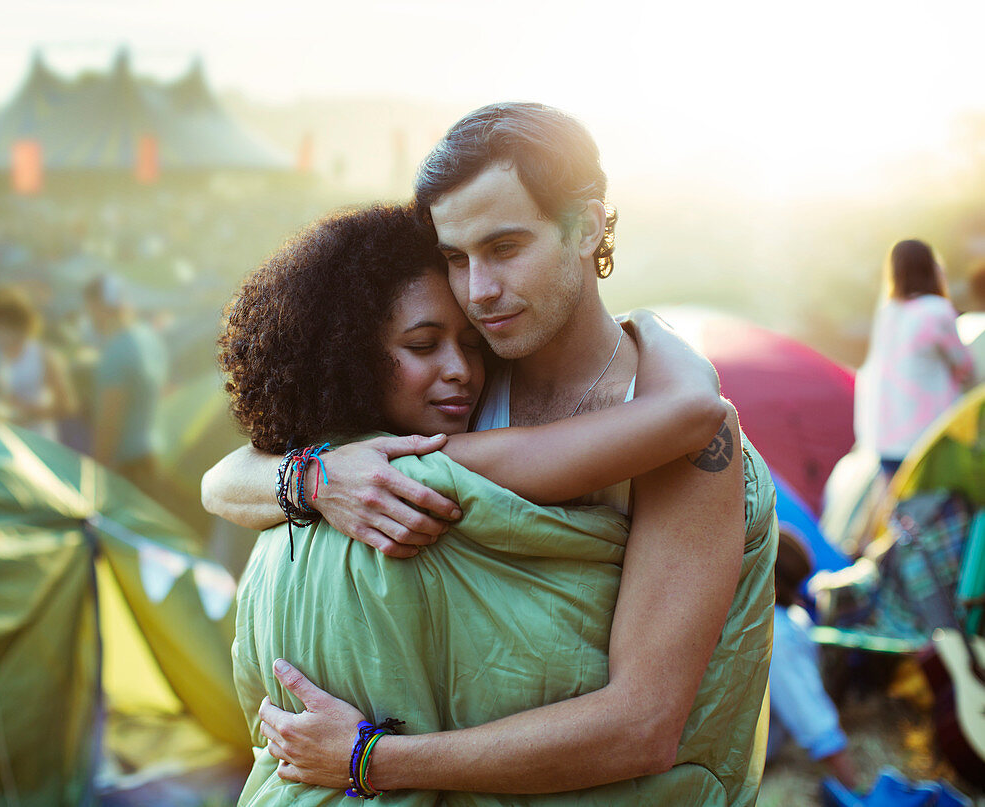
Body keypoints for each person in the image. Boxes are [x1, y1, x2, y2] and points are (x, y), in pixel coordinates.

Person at [205, 103, 776, 803]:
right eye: (455, 257)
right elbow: (227, 479)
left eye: (505, 248)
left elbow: (644, 725)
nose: (479, 290)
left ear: (588, 226)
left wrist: (370, 760)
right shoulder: (461, 379)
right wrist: (315, 476)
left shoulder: (675, 432)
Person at [855, 239, 974, 479]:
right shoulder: (937, 309)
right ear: (931, 268)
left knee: (898, 512)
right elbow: (965, 368)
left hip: (885, 436)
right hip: (926, 440)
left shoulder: (888, 311)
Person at [767, 527, 857, 789]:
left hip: (743, 757)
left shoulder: (777, 633)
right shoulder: (792, 618)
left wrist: (856, 792)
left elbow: (811, 715)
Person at [83, 274, 168, 494]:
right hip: (153, 454)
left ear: (98, 306)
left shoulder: (116, 353)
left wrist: (94, 473)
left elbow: (110, 422)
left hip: (127, 466)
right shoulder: (147, 337)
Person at [0, 285, 77, 440]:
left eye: (8, 325)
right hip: (1, 437)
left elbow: (66, 405)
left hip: (38, 438)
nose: (2, 333)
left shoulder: (44, 356)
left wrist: (28, 412)